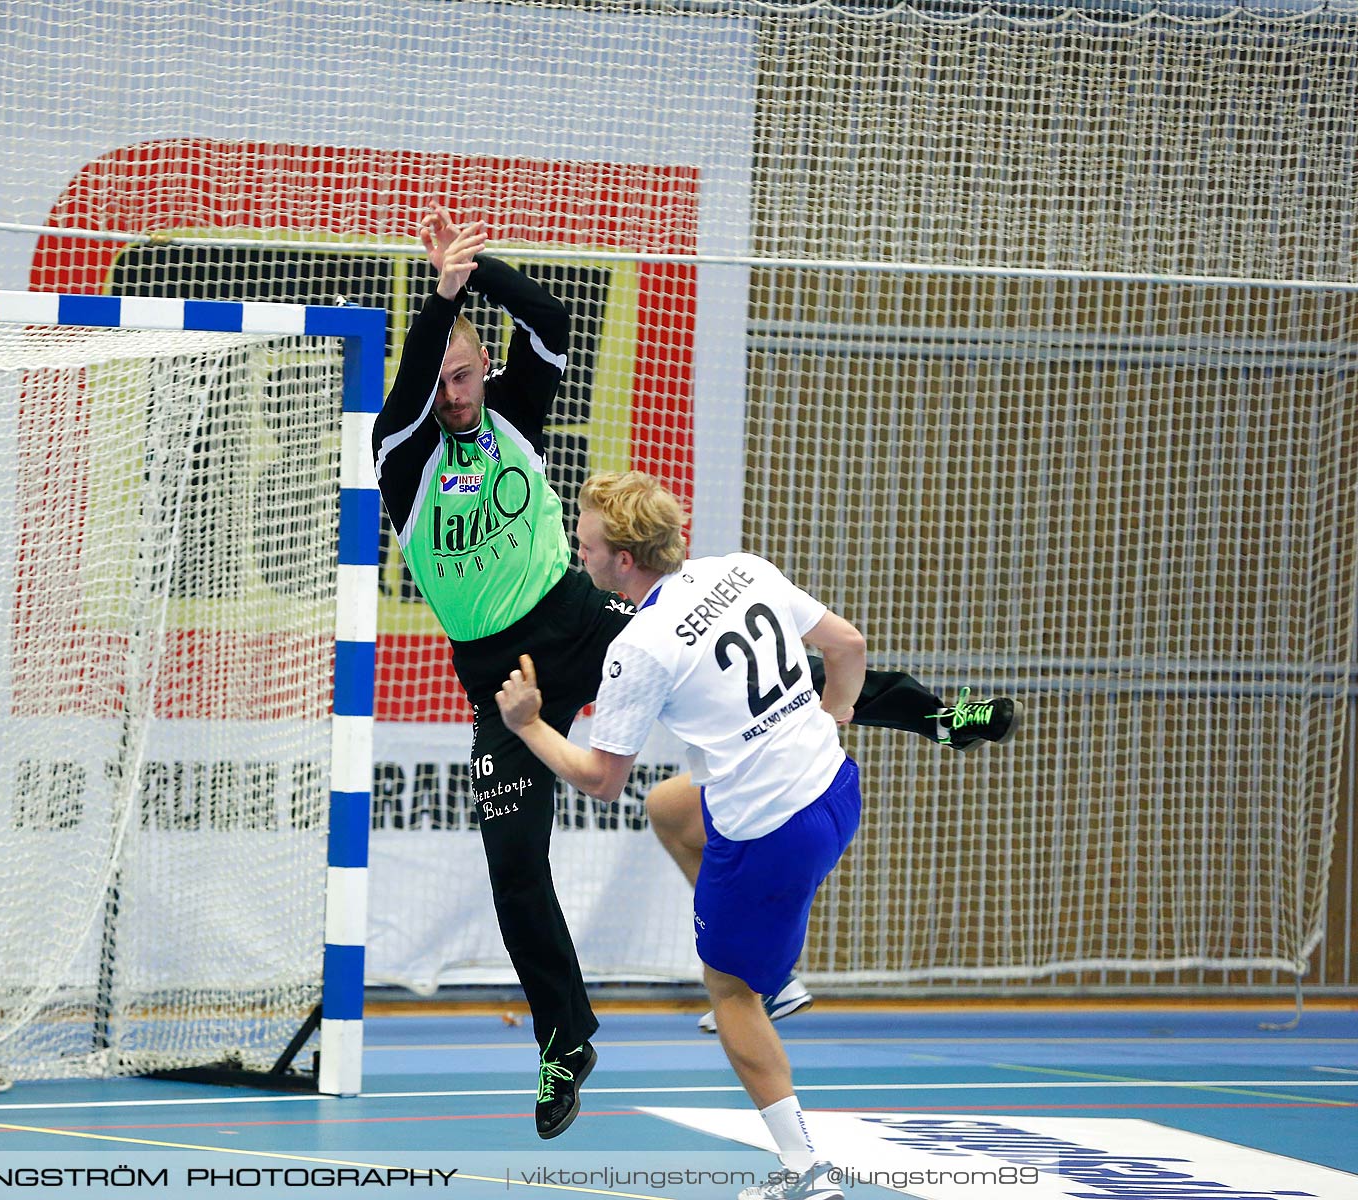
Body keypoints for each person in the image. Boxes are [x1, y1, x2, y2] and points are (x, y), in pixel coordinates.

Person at [372, 207, 1015, 1141]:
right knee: (513, 868)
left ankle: (938, 718)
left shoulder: (511, 412)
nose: (457, 395)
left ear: (482, 372)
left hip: (576, 614)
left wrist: (477, 277)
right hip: (499, 670)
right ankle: (564, 1038)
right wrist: (436, 312)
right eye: (442, 383)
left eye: (466, 375)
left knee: (764, 666)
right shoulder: (404, 455)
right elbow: (414, 388)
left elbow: (550, 320)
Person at [495, 470, 864, 1199]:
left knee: (728, 989)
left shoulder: (643, 645)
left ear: (621, 561)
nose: (580, 552)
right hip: (838, 789)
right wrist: (832, 719)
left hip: (769, 832)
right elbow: (848, 645)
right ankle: (774, 969)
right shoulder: (742, 569)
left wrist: (528, 724)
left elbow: (600, 779)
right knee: (669, 805)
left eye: (586, 544)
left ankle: (806, 1172)